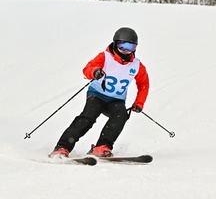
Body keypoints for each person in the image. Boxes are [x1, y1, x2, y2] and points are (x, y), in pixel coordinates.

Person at [49, 27, 149, 158]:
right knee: (88, 117)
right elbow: (88, 68)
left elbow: (143, 84)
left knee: (121, 116)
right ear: (115, 43)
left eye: (130, 47)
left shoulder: (137, 65)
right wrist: (95, 72)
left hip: (116, 100)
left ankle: (102, 146)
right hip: (97, 95)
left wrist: (139, 103)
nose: (125, 50)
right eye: (122, 45)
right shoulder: (105, 57)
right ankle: (62, 147)